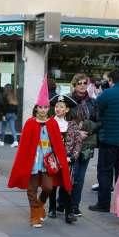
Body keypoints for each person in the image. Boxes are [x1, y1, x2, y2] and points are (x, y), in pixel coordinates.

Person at [8, 76, 72, 228]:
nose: (43, 110)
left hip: (47, 162)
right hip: (32, 162)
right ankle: (34, 214)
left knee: (48, 187)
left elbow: (58, 145)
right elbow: (24, 147)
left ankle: (39, 206)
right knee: (32, 189)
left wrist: (62, 159)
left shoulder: (52, 123)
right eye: (40, 107)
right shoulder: (30, 123)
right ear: (36, 107)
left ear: (48, 108)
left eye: (45, 107)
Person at [89, 69, 119, 212]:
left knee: (105, 171)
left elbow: (97, 114)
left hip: (108, 140)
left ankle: (103, 204)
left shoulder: (106, 94)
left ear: (111, 80)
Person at [67, 73, 100, 217]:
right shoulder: (67, 100)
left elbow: (99, 122)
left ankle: (74, 206)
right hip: (71, 144)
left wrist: (86, 126)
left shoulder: (93, 102)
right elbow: (62, 120)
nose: (82, 85)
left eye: (84, 83)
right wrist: (76, 132)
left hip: (87, 144)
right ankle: (62, 203)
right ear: (74, 84)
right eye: (79, 83)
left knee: (80, 177)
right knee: (69, 175)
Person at [48, 94, 82, 224]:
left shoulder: (72, 125)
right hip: (52, 159)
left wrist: (73, 157)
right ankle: (52, 208)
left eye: (61, 107)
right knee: (52, 184)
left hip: (67, 160)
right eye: (56, 106)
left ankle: (69, 212)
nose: (58, 109)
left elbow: (78, 142)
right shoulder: (50, 122)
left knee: (67, 186)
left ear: (67, 110)